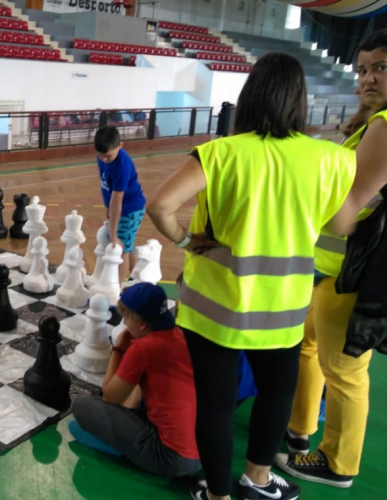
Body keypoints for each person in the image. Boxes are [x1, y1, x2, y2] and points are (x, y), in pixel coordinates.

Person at [146, 52, 361, 500]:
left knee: (217, 404)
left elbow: (161, 207)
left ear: (249, 96)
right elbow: (341, 227)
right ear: (300, 100)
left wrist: (186, 243)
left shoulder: (220, 152)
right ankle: (258, 482)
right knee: (277, 394)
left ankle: (218, 496)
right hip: (282, 308)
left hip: (212, 308)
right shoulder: (331, 159)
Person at [275, 29, 387, 489]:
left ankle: (339, 461)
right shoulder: (371, 122)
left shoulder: (385, 125)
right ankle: (300, 431)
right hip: (330, 270)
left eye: (380, 66)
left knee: (343, 369)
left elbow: (347, 211)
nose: (367, 78)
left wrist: (302, 191)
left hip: (351, 274)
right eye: (362, 69)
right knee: (309, 348)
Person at [69, 283, 201, 478]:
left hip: (170, 457)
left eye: (126, 318)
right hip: (200, 452)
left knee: (81, 406)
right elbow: (140, 392)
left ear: (141, 324)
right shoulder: (180, 335)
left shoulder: (144, 348)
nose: (124, 324)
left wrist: (119, 350)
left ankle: (121, 449)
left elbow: (110, 397)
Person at [94, 126, 146, 282]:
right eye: (100, 155)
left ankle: (116, 289)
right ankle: (136, 280)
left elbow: (117, 202)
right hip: (121, 207)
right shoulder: (104, 155)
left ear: (120, 145)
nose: (104, 159)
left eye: (108, 156)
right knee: (127, 247)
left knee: (120, 250)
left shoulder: (122, 166)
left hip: (130, 210)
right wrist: (107, 206)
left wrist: (113, 234)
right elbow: (105, 184)